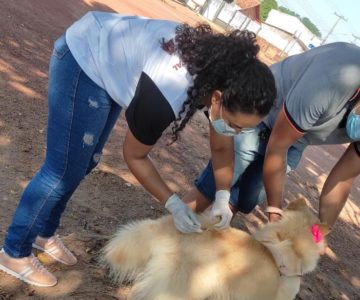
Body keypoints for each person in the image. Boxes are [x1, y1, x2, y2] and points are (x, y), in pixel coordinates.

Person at [0, 11, 276, 287]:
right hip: (84, 59)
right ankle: (14, 251)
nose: (236, 133)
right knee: (61, 171)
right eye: (235, 125)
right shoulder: (168, 91)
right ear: (217, 99)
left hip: (109, 63)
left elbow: (221, 147)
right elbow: (134, 155)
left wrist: (223, 194)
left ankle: (43, 233)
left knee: (84, 163)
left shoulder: (219, 76)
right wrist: (175, 205)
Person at [184, 41, 360, 229]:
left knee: (242, 198)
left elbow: (342, 182)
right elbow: (277, 148)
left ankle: (204, 248)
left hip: (296, 141)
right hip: (258, 115)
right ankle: (165, 235)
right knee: (213, 186)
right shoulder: (334, 77)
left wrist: (320, 235)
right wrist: (275, 214)